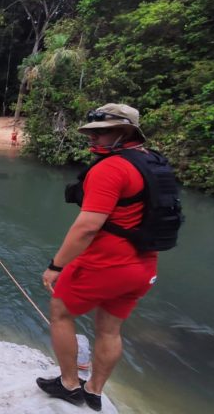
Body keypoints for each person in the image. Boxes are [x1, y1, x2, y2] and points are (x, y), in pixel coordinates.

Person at [37, 103, 164, 411]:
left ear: (124, 133)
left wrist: (56, 266)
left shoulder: (111, 168)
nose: (93, 140)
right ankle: (94, 391)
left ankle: (69, 385)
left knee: (60, 311)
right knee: (110, 329)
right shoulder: (154, 163)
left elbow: (86, 228)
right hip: (143, 266)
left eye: (102, 133)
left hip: (108, 262)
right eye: (92, 133)